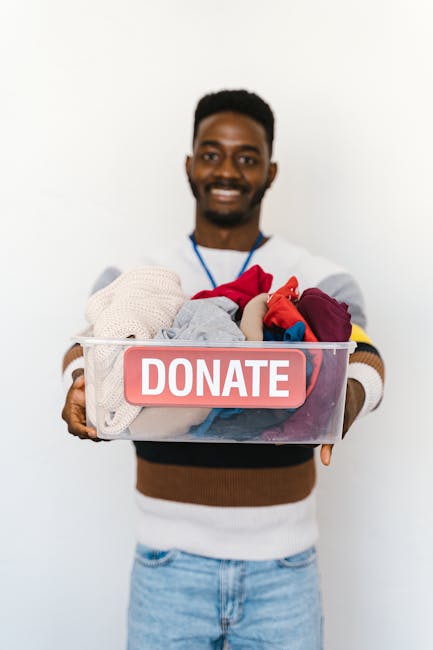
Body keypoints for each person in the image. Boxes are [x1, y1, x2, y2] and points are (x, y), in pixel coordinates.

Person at [61, 90, 384, 649]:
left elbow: (365, 358)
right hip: (168, 567)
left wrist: (343, 400)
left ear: (270, 171)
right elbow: (86, 350)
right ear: (189, 164)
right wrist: (80, 388)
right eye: (211, 153)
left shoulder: (320, 277)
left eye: (246, 156)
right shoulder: (139, 275)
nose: (227, 170)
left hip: (284, 571)